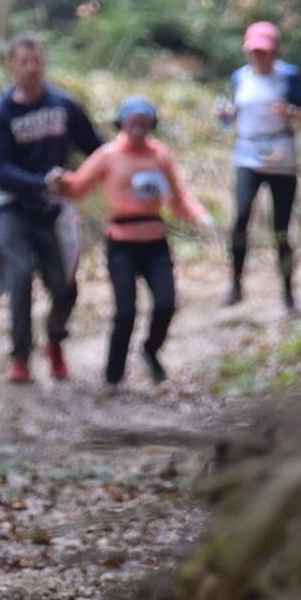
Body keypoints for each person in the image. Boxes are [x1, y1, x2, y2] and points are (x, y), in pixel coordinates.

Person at [47, 96, 213, 388]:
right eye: (132, 122)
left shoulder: (160, 155)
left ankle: (150, 350)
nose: (138, 128)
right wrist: (61, 182)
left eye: (143, 122)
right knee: (125, 312)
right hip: (121, 244)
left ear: (151, 125)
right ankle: (113, 375)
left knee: (166, 304)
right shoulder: (108, 155)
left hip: (155, 243)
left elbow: (179, 196)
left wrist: (199, 216)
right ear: (122, 124)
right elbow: (78, 187)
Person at [0, 35, 104, 383]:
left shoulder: (64, 106)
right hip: (13, 209)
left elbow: (97, 149)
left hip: (54, 212)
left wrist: (94, 175)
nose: (32, 68)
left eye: (37, 60)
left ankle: (55, 340)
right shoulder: (1, 114)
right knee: (20, 277)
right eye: (24, 61)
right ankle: (20, 359)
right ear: (12, 66)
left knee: (65, 286)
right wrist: (41, 182)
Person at [214, 20, 301, 312]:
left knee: (280, 227)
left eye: (265, 51)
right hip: (247, 154)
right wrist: (225, 114)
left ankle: (288, 294)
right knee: (240, 218)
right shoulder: (239, 77)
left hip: (281, 157)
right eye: (255, 51)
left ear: (275, 51)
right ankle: (235, 285)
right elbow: (230, 116)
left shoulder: (289, 76)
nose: (260, 57)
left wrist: (290, 111)